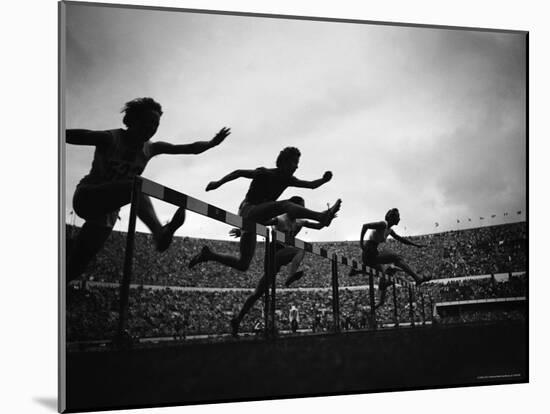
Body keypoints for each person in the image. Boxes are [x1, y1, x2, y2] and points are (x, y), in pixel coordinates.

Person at [66, 97, 230, 283]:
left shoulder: (151, 148)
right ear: (132, 121)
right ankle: (159, 233)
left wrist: (211, 143)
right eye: (148, 122)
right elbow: (74, 135)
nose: (152, 127)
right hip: (88, 196)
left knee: (75, 267)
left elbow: (187, 148)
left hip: (107, 213)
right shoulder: (110, 138)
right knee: (137, 185)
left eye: (156, 124)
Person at [188, 146, 341, 272]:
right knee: (285, 205)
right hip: (248, 210)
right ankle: (322, 216)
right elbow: (238, 173)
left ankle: (209, 255)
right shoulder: (264, 173)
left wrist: (324, 180)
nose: (297, 166)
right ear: (283, 162)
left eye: (297, 163)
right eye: (294, 162)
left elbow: (310, 185)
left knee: (243, 264)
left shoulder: (288, 180)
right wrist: (218, 183)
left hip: (259, 218)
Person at [227, 196, 331, 337]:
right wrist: (244, 231)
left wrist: (328, 217)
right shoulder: (281, 218)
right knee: (301, 249)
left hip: (279, 257)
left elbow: (319, 226)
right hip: (273, 251)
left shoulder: (300, 222)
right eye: (300, 208)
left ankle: (237, 320)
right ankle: (290, 275)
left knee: (258, 292)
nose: (301, 211)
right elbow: (263, 223)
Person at [349, 208, 429, 287]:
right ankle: (417, 278)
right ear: (392, 218)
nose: (399, 219)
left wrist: (416, 245)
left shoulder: (389, 230)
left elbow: (401, 239)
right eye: (398, 217)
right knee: (396, 257)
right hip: (369, 251)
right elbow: (365, 226)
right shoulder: (383, 224)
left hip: (373, 252)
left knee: (381, 272)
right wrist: (361, 243)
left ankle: (356, 271)